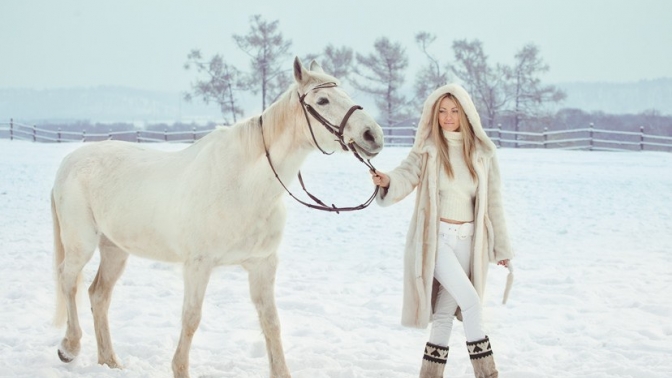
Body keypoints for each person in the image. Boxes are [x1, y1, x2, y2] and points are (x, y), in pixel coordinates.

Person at [370, 83, 513, 378]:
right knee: (472, 303)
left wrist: (501, 248)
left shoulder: (484, 154)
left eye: (454, 111)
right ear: (434, 115)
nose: (448, 117)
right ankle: (488, 374)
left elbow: (494, 203)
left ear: (466, 113)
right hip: (437, 243)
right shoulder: (429, 149)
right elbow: (406, 173)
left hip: (469, 244)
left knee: (445, 313)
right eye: (442, 112)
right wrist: (387, 181)